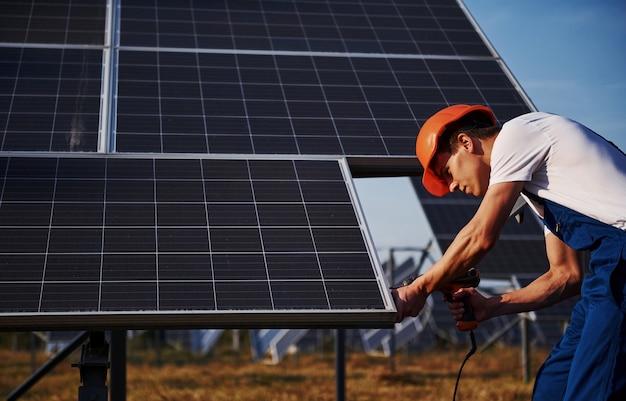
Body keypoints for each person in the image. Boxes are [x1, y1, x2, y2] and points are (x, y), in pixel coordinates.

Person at [392, 104, 626, 400]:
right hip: (607, 272)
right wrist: (492, 306)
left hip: (620, 263)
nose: (451, 185)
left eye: (447, 170)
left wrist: (420, 287)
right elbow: (565, 276)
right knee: (553, 388)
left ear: (466, 142)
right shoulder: (543, 189)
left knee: (592, 392)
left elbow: (480, 235)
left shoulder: (518, 134)